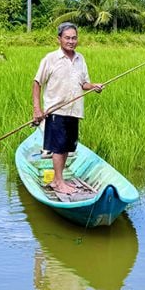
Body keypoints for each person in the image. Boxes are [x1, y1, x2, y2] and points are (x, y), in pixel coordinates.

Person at [32, 23, 104, 194]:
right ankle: (58, 182)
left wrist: (93, 86)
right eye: (67, 38)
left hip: (74, 110)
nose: (71, 41)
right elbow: (37, 82)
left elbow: (83, 83)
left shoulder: (80, 59)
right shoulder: (50, 59)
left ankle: (59, 179)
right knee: (57, 147)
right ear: (59, 39)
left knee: (66, 147)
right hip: (56, 110)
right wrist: (37, 109)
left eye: (74, 38)